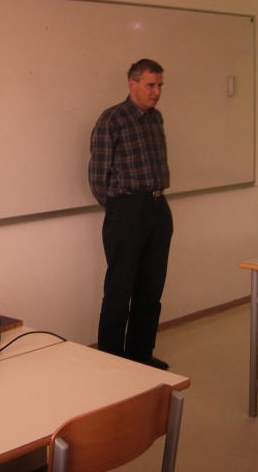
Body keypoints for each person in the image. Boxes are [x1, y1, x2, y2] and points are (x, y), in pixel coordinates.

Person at [88, 58, 173, 370]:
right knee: (119, 291)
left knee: (150, 290)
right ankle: (112, 362)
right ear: (132, 83)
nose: (156, 92)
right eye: (151, 85)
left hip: (158, 207)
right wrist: (121, 209)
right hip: (126, 210)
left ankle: (140, 356)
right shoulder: (112, 119)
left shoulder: (155, 118)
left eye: (160, 85)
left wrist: (150, 206)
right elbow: (98, 177)